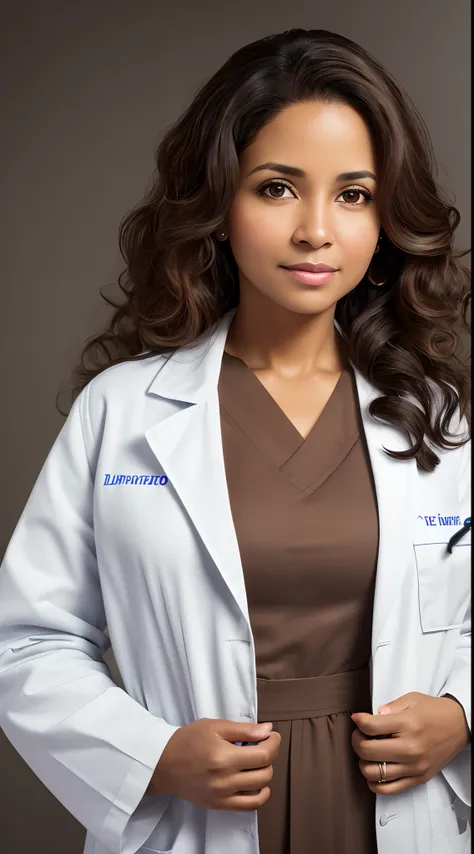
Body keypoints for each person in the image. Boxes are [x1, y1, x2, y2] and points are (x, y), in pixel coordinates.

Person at [0, 27, 471, 854]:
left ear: (387, 215)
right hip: (201, 818)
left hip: (388, 815)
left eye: (354, 194)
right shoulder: (123, 414)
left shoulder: (438, 420)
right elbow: (27, 638)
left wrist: (461, 714)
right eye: (279, 188)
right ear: (219, 202)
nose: (316, 230)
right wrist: (152, 755)